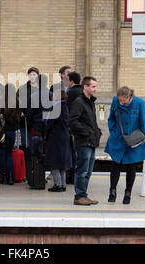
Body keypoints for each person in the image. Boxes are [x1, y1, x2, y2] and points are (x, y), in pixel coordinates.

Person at [105, 86, 145, 204]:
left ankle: (128, 193)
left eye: (123, 100)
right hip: (118, 139)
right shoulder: (115, 100)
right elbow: (111, 119)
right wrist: (113, 132)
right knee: (115, 165)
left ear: (129, 97)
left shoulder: (139, 103)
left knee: (131, 167)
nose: (121, 102)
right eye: (119, 100)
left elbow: (143, 122)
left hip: (132, 140)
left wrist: (138, 137)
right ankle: (112, 191)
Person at [69, 76, 102, 206]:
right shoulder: (79, 102)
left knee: (88, 172)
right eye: (93, 86)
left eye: (95, 86)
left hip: (91, 141)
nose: (95, 89)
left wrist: (97, 132)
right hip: (83, 142)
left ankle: (83, 195)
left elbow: (90, 122)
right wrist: (87, 133)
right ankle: (79, 196)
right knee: (81, 171)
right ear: (85, 87)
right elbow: (72, 121)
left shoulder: (90, 102)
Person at [44, 90, 72, 192]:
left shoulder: (56, 107)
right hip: (64, 137)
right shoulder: (65, 107)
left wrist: (46, 124)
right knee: (62, 163)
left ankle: (58, 185)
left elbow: (50, 122)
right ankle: (63, 185)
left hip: (56, 137)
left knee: (54, 162)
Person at [0, 83, 21, 185]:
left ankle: (3, 178)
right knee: (9, 154)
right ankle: (10, 178)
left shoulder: (1, 101)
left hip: (1, 132)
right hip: (11, 131)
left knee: (1, 154)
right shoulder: (17, 101)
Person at [17, 67, 40, 172]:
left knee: (36, 145)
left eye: (34, 74)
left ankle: (36, 169)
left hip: (37, 122)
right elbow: (16, 102)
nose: (32, 76)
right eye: (30, 74)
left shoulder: (41, 89)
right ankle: (26, 169)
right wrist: (20, 111)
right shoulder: (22, 89)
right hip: (24, 122)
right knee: (26, 144)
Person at [65, 71, 82, 185]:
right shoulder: (82, 91)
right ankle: (79, 176)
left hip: (72, 126)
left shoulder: (70, 93)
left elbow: (67, 110)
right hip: (82, 125)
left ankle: (71, 176)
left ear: (71, 81)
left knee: (72, 152)